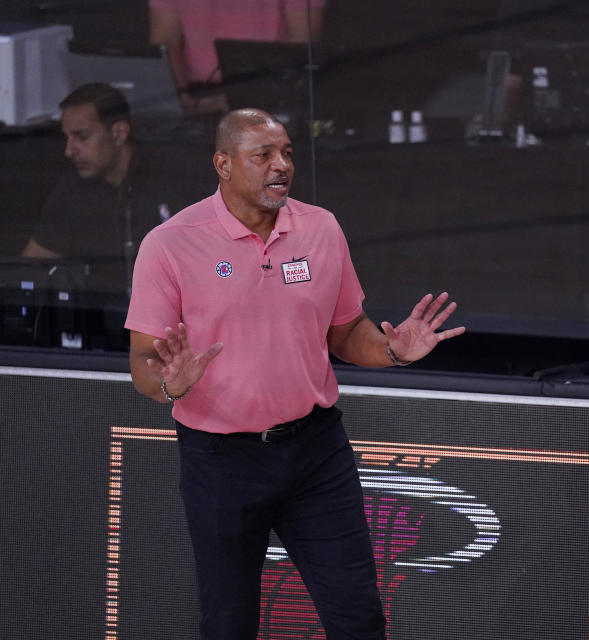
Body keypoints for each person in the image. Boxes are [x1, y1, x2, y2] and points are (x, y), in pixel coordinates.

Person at [124, 107, 464, 639]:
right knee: (228, 623)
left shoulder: (321, 228)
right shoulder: (170, 244)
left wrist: (394, 351)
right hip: (222, 461)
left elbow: (347, 333)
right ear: (223, 164)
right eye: (263, 155)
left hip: (314, 455)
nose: (280, 165)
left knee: (358, 618)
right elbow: (145, 365)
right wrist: (171, 384)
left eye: (287, 153)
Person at [21, 83, 195, 298]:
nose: (69, 151)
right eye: (66, 138)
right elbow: (31, 265)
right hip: (98, 318)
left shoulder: (172, 178)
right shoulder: (72, 188)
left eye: (81, 137)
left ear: (118, 133)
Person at [149, 0, 325, 113]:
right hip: (197, 96)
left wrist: (249, 96)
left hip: (270, 93)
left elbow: (301, 43)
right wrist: (181, 97)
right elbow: (165, 41)